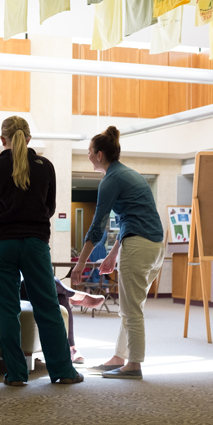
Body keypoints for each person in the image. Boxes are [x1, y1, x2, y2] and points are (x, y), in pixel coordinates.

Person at [0, 116, 83, 386]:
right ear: (29, 138)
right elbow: (49, 209)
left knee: (6, 309)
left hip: (0, 244)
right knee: (47, 307)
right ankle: (63, 371)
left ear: (3, 140)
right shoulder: (45, 166)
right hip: (35, 244)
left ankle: (15, 374)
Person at [0, 206, 104, 364]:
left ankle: (71, 347)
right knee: (40, 282)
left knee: (57, 295)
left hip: (13, 288)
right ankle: (75, 296)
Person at [72, 126, 166, 380]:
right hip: (154, 245)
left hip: (139, 246)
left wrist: (80, 264)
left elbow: (97, 226)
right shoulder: (129, 174)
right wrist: (113, 254)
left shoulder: (111, 180)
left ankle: (133, 364)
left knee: (131, 309)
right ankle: (119, 357)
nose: (88, 155)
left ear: (99, 155)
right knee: (131, 306)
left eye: (89, 152)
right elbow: (132, 219)